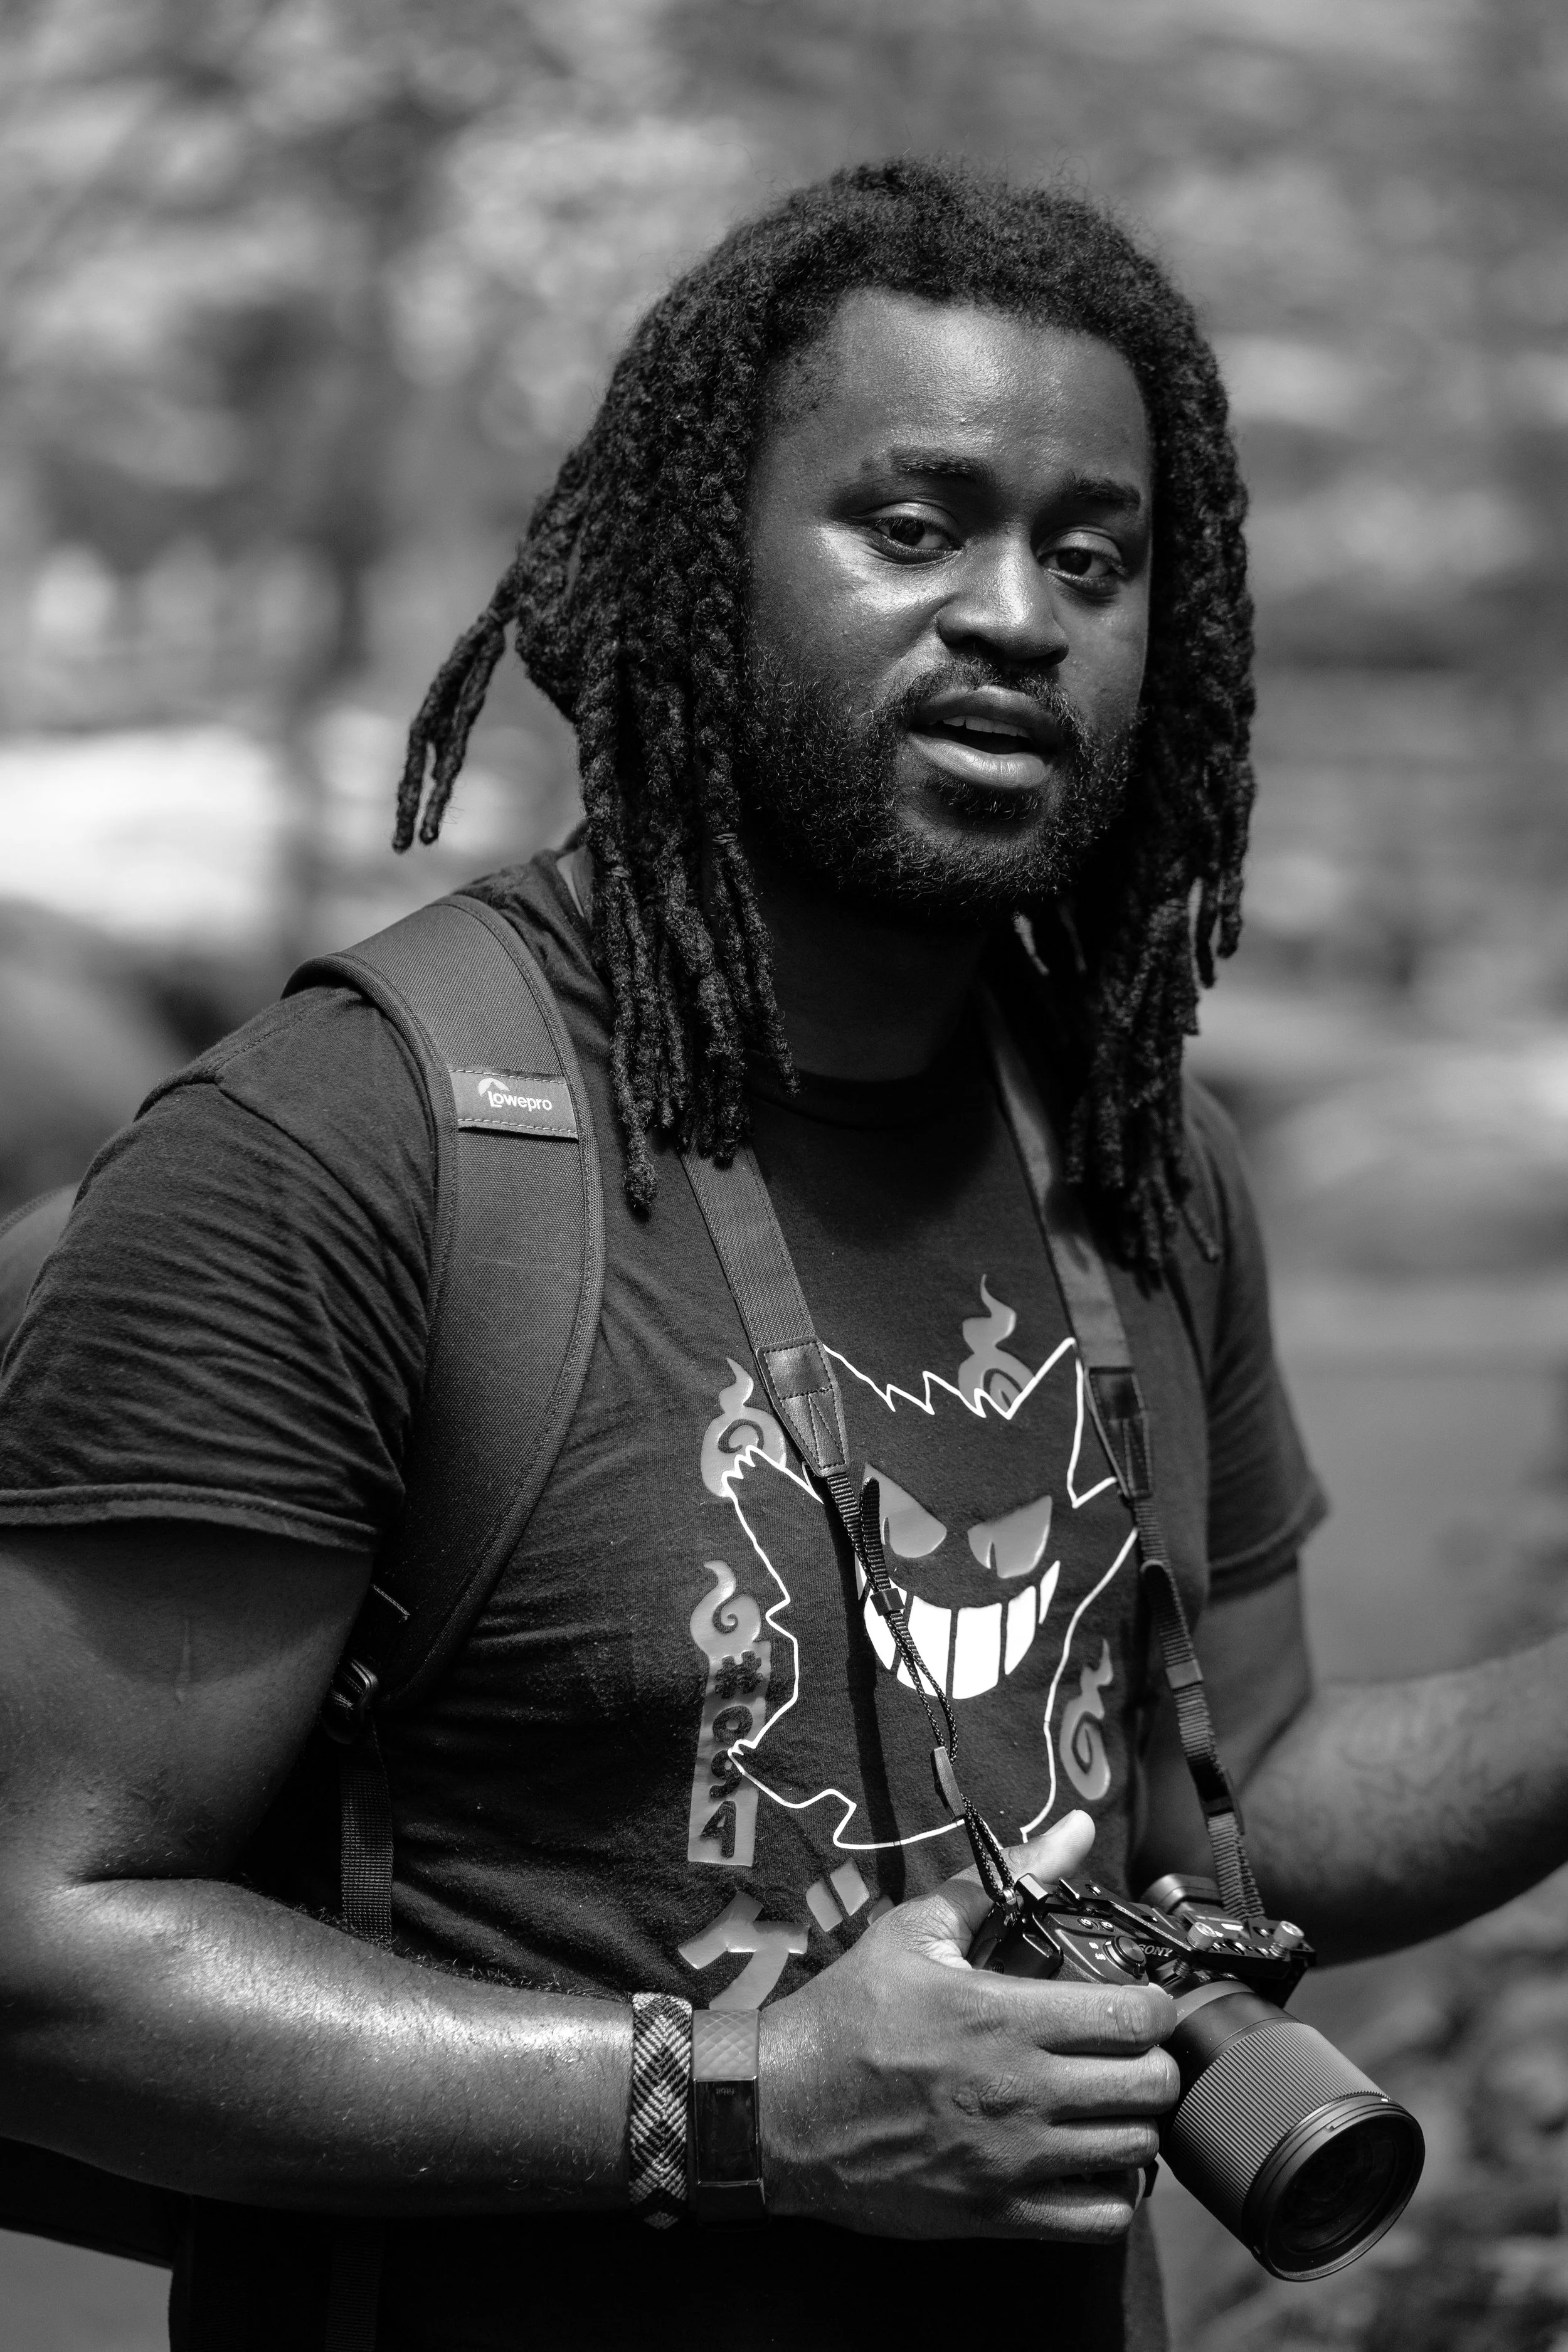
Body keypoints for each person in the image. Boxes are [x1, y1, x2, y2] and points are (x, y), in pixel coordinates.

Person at [0, 159, 1563, 2352]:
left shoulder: (1131, 1156)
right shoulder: (349, 1143)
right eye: (910, 527)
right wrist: (762, 2106)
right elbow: (44, 1946)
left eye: (1091, 557)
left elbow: (1240, 1802)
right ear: (692, 562)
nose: (1015, 613)